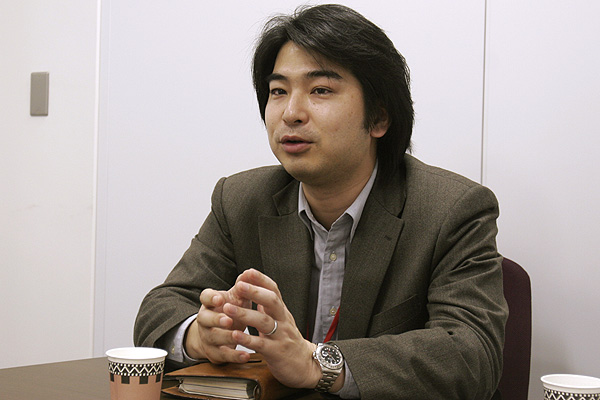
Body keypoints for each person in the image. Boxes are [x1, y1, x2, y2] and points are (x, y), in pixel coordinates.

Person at [134, 4, 508, 399]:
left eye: (321, 91)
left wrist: (317, 363)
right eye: (278, 91)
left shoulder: (451, 209)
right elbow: (160, 308)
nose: (291, 113)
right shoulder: (241, 199)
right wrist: (199, 335)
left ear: (379, 118)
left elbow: (472, 355)